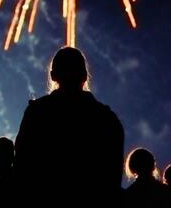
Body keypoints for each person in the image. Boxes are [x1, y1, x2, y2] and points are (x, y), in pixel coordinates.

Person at [14, 46, 124, 205]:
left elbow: (22, 165)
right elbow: (112, 179)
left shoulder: (37, 113)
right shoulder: (107, 119)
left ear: (53, 75)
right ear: (85, 76)